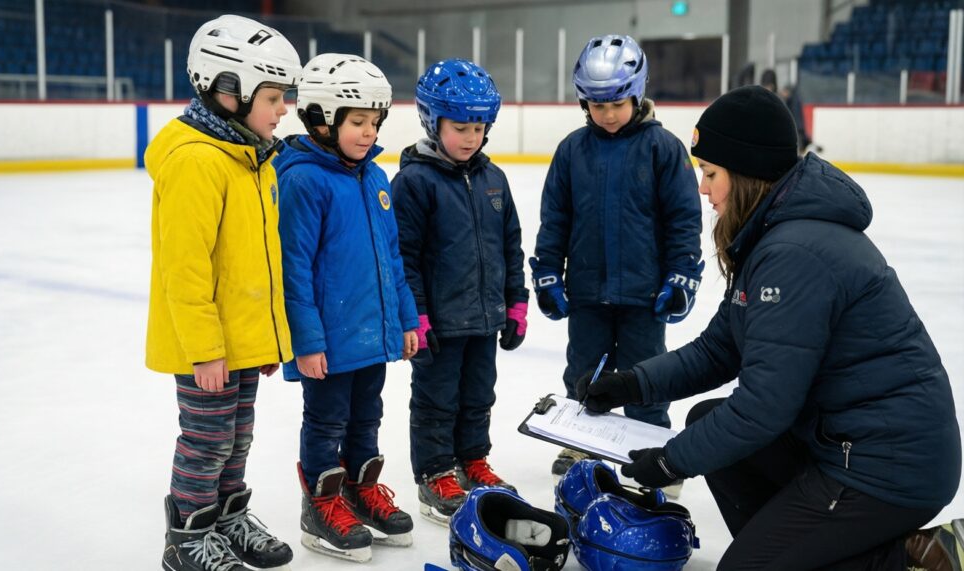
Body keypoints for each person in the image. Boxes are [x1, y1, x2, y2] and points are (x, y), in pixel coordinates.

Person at [577, 85, 962, 569]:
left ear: (745, 175)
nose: (702, 188)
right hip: (847, 442)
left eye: (710, 173)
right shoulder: (772, 238)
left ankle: (914, 558)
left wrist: (672, 461)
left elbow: (764, 406)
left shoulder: (792, 254)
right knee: (708, 424)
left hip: (886, 466)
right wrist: (634, 383)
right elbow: (720, 349)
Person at [144, 15, 299, 571]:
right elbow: (184, 272)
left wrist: (264, 340)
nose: (284, 109)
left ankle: (227, 516)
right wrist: (205, 348)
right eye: (275, 96)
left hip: (242, 339)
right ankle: (188, 535)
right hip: (205, 344)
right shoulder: (197, 162)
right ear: (227, 90)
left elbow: (256, 262)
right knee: (206, 440)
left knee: (237, 439)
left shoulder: (251, 158)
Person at [531, 34, 703, 476]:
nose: (607, 114)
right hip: (587, 291)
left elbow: (683, 219)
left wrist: (682, 275)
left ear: (637, 93)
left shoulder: (662, 149)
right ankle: (579, 441)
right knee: (583, 370)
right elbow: (556, 219)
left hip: (645, 295)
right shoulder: (572, 151)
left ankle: (651, 450)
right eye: (596, 105)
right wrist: (549, 273)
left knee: (647, 374)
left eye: (616, 103)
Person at [275, 53, 419, 563]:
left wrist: (404, 318)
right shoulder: (302, 180)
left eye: (375, 122)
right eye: (357, 121)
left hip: (371, 335)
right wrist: (307, 341)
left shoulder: (375, 178)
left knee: (367, 419)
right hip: (329, 342)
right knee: (326, 422)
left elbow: (392, 257)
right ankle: (320, 503)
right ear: (320, 118)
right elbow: (293, 271)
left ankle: (358, 491)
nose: (368, 131)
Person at [391, 59, 528, 526]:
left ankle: (472, 459)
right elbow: (403, 258)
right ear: (433, 121)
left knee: (477, 395)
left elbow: (510, 243)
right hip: (439, 324)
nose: (471, 137)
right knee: (435, 400)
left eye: (478, 127)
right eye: (460, 127)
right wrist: (418, 316)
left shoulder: (494, 179)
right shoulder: (414, 182)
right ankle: (435, 472)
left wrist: (516, 302)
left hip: (484, 318)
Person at [761, 68, 814, 155]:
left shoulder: (784, 100)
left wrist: (801, 138)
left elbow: (794, 121)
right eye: (766, 85)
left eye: (770, 85)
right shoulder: (760, 99)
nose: (768, 88)